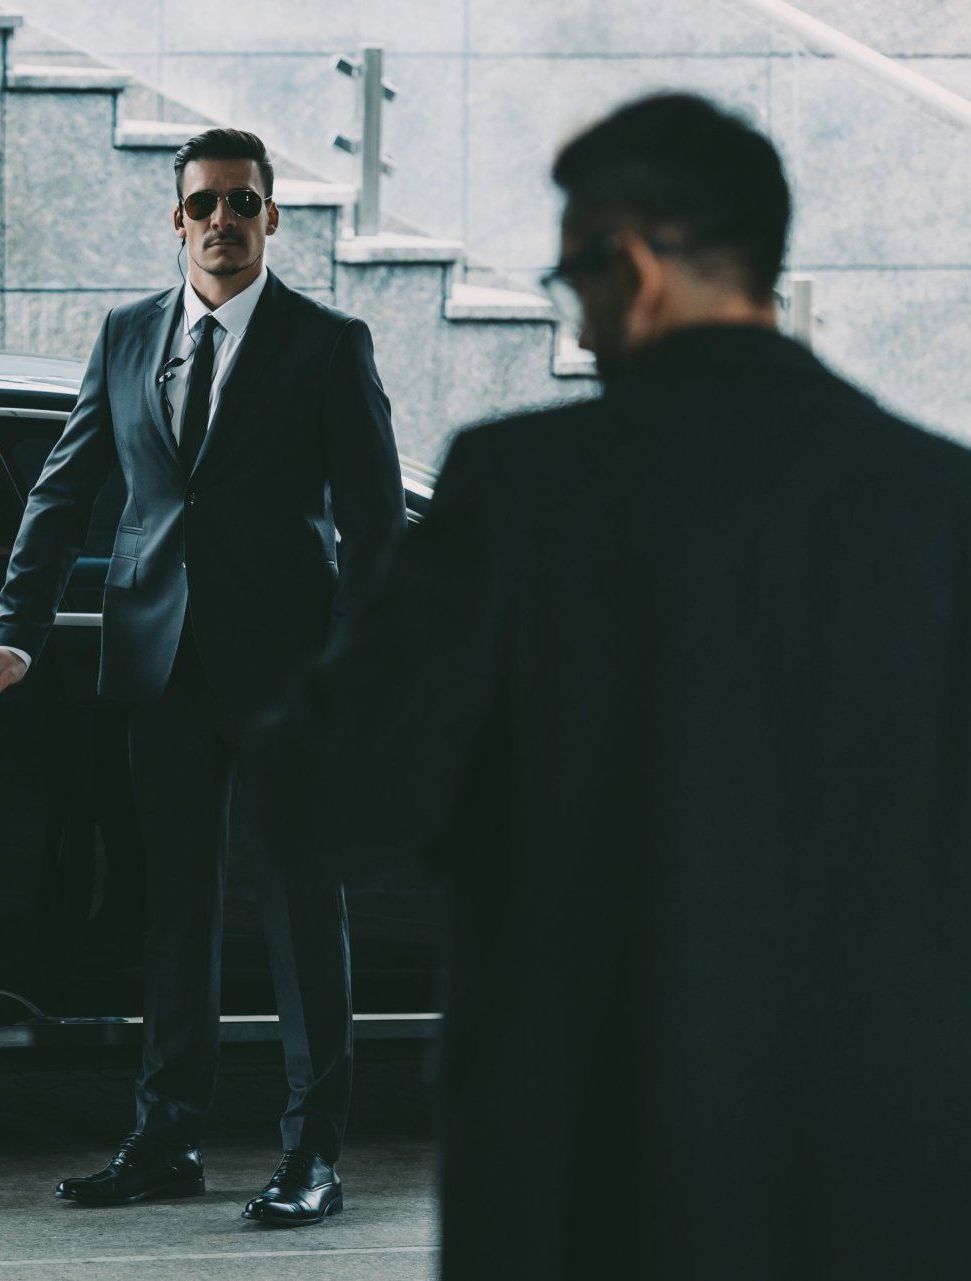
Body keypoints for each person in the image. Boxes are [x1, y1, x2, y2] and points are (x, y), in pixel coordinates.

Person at [252, 92, 971, 1277]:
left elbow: (318, 801)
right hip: (891, 1181)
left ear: (630, 264)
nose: (579, 327)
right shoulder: (940, 507)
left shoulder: (521, 490)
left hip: (590, 1178)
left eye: (574, 281)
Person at [0, 127, 405, 1226]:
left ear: (273, 218)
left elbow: (377, 532)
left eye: (245, 203)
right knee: (174, 918)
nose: (224, 222)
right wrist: (19, 633)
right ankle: (166, 1142)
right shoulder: (126, 337)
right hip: (159, 670)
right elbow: (62, 497)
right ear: (178, 217)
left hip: (290, 679)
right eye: (205, 204)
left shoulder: (328, 345)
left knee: (302, 917)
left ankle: (314, 1159)